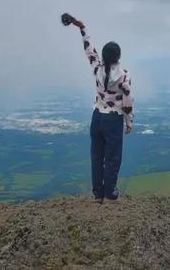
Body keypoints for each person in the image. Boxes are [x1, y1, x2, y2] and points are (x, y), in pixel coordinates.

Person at [62, 13, 134, 203]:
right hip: (113, 120)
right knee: (112, 157)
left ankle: (97, 193)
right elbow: (127, 102)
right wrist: (129, 122)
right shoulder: (124, 76)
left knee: (97, 156)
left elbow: (89, 50)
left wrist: (82, 28)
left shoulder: (97, 68)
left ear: (104, 56)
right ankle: (110, 192)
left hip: (97, 117)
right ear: (118, 56)